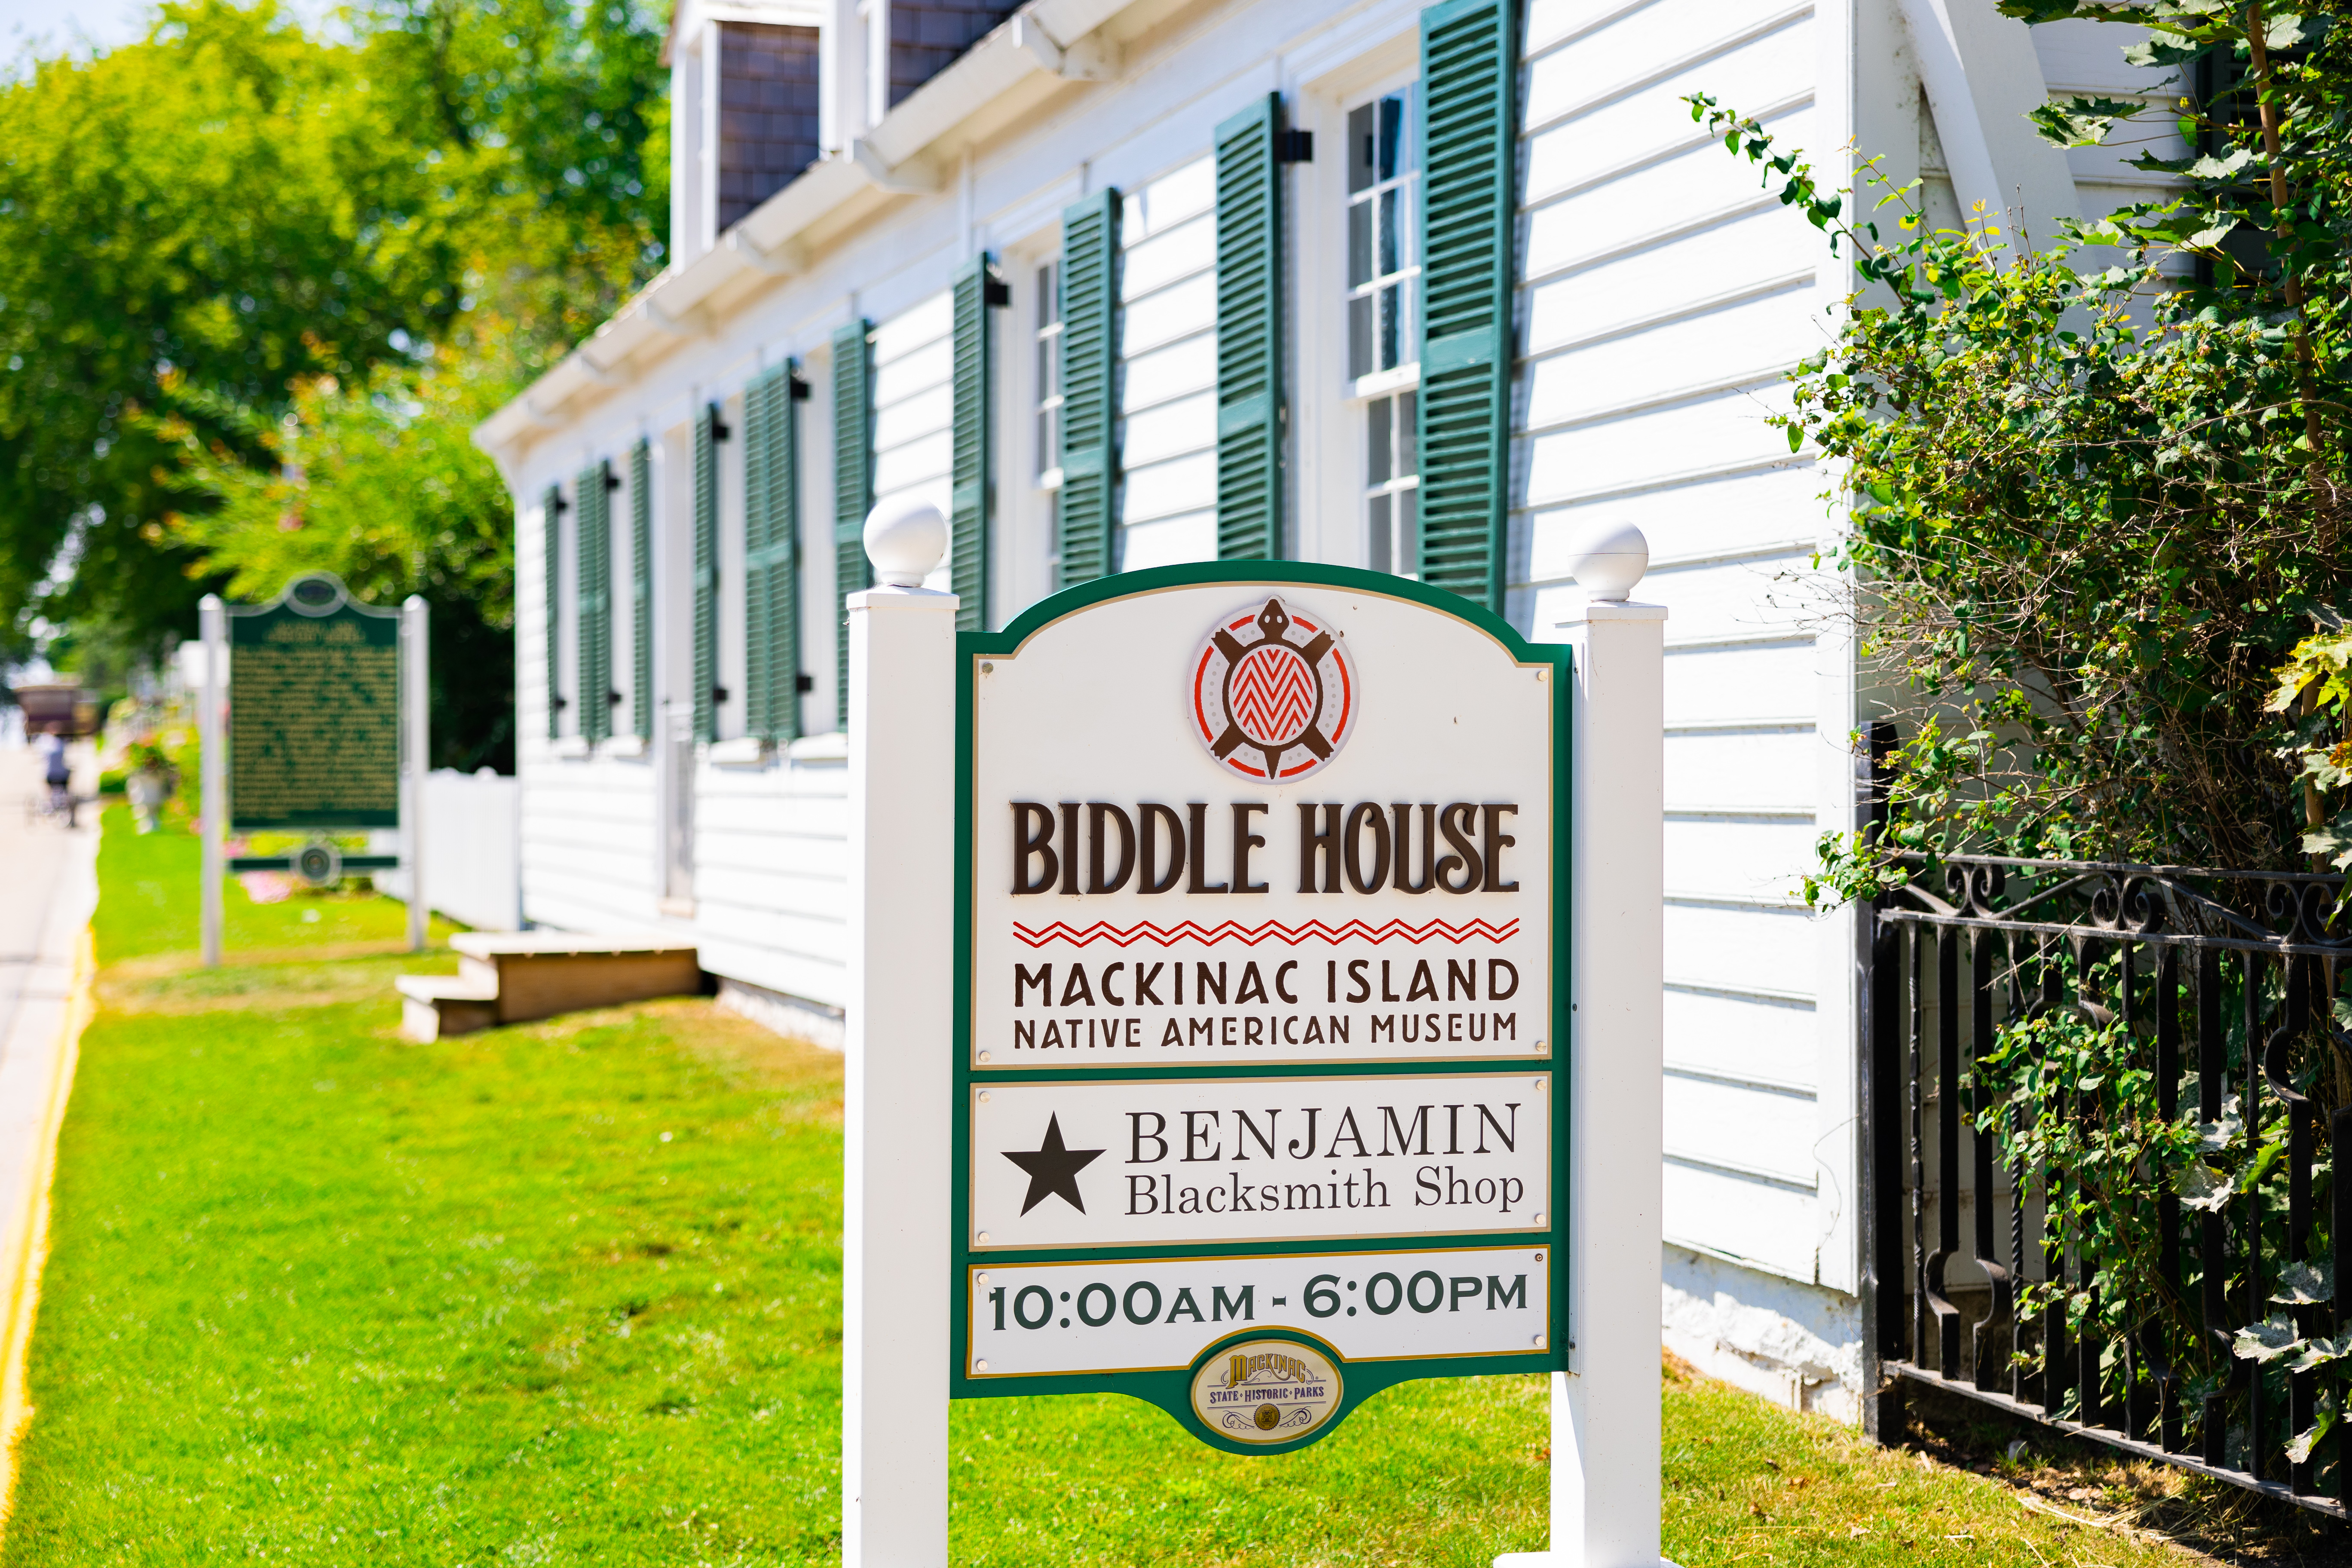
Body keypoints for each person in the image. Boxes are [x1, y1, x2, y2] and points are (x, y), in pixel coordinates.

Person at [40, 730, 72, 826]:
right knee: (67, 784)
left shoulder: (46, 746)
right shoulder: (62, 745)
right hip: (62, 776)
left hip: (50, 776)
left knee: (46, 784)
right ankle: (66, 798)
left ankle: (49, 801)